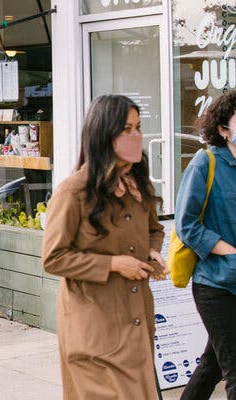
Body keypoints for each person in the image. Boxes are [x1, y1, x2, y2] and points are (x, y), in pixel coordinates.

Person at [42, 94, 166, 399]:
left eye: (138, 127)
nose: (136, 136)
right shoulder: (73, 191)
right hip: (94, 326)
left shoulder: (139, 184)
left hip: (135, 318)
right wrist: (113, 264)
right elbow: (53, 258)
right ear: (104, 135)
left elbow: (155, 229)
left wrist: (152, 252)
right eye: (127, 129)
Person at [176, 92, 236, 400]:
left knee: (211, 365)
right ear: (224, 129)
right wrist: (227, 249)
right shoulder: (206, 162)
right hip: (215, 283)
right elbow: (186, 225)